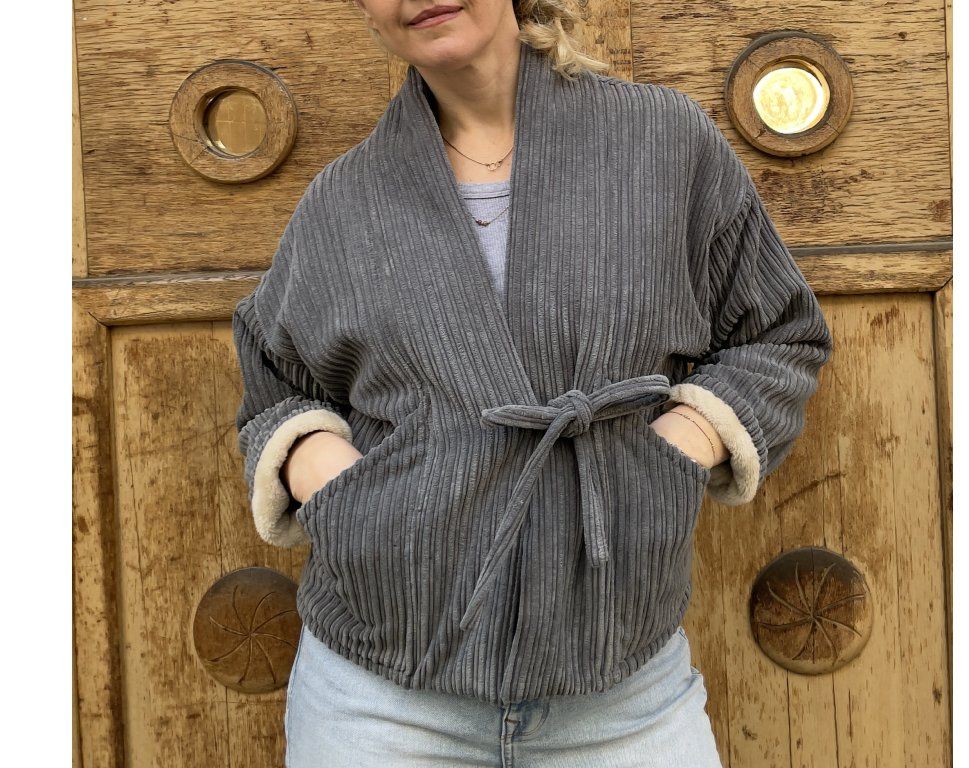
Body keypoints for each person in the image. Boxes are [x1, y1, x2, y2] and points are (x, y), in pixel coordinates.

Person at [231, 1, 834, 766]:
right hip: (380, 698)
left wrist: (677, 448)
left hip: (622, 688)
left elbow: (778, 332)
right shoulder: (343, 200)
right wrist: (338, 483)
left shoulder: (662, 143)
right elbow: (275, 381)